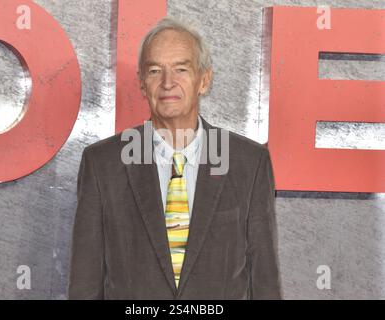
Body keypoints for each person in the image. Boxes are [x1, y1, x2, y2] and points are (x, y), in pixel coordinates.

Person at [68, 17, 281, 299]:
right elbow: (85, 284)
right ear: (142, 84)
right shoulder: (103, 164)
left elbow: (265, 281)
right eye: (155, 71)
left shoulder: (249, 162)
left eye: (181, 69)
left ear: (204, 80)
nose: (168, 83)